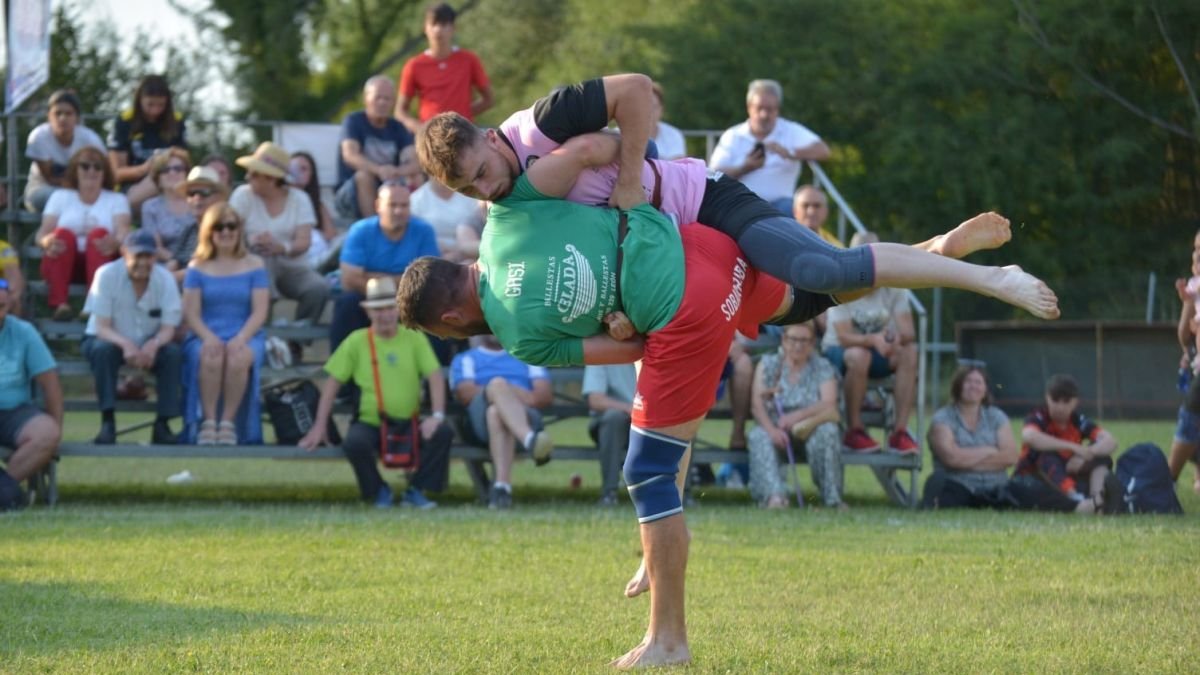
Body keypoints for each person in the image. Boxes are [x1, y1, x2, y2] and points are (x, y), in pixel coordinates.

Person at [395, 146, 1058, 666]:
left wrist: (628, 319)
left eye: (446, 332)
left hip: (686, 310)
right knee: (820, 285)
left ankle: (668, 638)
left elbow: (632, 354)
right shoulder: (505, 217)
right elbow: (586, 162)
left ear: (452, 316)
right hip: (701, 242)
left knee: (649, 470)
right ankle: (937, 253)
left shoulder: (512, 329)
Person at [414, 76, 1046, 322]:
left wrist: (629, 172)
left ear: (486, 135)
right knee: (801, 306)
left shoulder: (540, 125)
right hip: (673, 257)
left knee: (822, 267)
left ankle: (991, 279)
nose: (486, 190)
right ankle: (935, 249)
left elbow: (636, 92)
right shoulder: (504, 205)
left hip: (702, 203)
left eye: (483, 172)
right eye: (468, 189)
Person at [299, 277, 452, 508]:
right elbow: (332, 384)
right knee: (354, 443)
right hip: (371, 423)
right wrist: (320, 424)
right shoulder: (356, 341)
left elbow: (435, 375)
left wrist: (437, 415)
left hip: (409, 422)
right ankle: (379, 490)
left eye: (390, 308)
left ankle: (417, 490)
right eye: (378, 309)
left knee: (442, 433)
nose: (385, 315)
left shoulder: (414, 338)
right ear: (368, 313)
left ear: (399, 310)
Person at [81, 230, 182, 445]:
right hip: (108, 338)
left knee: (172, 354)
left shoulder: (165, 279)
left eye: (148, 256)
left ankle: (163, 424)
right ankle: (107, 422)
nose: (143, 262)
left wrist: (153, 345)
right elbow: (101, 327)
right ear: (124, 253)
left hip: (149, 340)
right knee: (102, 350)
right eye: (138, 256)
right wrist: (126, 344)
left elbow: (168, 328)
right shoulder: (106, 274)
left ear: (155, 256)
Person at [821, 231, 919, 453]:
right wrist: (873, 340)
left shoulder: (894, 286)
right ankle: (854, 430)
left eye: (877, 257)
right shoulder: (841, 286)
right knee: (859, 355)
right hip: (839, 351)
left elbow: (908, 333)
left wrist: (893, 339)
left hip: (878, 351)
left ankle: (900, 432)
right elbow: (844, 336)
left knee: (910, 352)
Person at [181, 203, 269, 445]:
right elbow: (191, 312)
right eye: (219, 227)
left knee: (239, 357)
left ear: (239, 230)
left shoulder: (255, 265)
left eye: (232, 226)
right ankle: (209, 422)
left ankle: (228, 423)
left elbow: (260, 312)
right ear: (208, 231)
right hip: (205, 333)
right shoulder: (196, 267)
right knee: (210, 355)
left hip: (247, 333)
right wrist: (208, 337)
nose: (226, 232)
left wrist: (241, 339)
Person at [332, 181, 439, 351]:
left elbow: (429, 280)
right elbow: (349, 280)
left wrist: (371, 276)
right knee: (347, 303)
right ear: (378, 206)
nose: (398, 211)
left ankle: (436, 373)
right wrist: (407, 278)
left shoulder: (424, 231)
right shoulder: (360, 230)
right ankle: (342, 372)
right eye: (392, 205)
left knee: (433, 308)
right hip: (367, 298)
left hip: (408, 301)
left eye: (404, 205)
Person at [230, 142, 329, 326]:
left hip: (292, 268)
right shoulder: (242, 195)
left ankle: (295, 342)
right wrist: (251, 242)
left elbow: (304, 241)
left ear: (271, 178)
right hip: (250, 266)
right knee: (261, 263)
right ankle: (262, 335)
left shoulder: (300, 199)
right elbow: (230, 233)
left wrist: (281, 248)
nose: (247, 177)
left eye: (254, 173)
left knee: (318, 289)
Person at [448, 336, 554, 509]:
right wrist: (505, 391)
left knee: (496, 413)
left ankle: (501, 488)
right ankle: (531, 440)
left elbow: (543, 396)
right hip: (480, 426)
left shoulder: (528, 355)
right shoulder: (466, 359)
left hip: (525, 416)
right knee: (497, 385)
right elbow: (465, 394)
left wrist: (505, 396)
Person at [748, 321, 842, 509]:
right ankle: (774, 497)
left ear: (813, 342)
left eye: (804, 340)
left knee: (828, 431)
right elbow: (757, 404)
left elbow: (828, 402)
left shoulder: (822, 366)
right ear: (783, 340)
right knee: (758, 436)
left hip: (810, 429)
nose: (798, 345)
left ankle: (831, 498)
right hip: (777, 430)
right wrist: (772, 431)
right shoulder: (768, 364)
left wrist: (796, 417)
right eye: (793, 339)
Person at [708, 79, 831, 214]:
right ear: (749, 107)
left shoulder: (790, 130)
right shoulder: (733, 135)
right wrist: (744, 168)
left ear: (777, 109)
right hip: (741, 202)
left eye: (770, 109)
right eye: (759, 108)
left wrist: (789, 153)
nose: (764, 115)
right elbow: (714, 174)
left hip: (782, 205)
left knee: (798, 211)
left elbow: (823, 151)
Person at [35, 147, 131, 320]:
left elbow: (123, 230)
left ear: (105, 171)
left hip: (102, 261)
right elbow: (42, 234)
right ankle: (60, 305)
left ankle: (94, 304)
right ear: (75, 170)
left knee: (99, 234)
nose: (91, 171)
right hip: (64, 262)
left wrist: (116, 242)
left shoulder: (117, 200)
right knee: (62, 235)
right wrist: (47, 241)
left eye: (97, 166)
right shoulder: (60, 197)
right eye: (85, 166)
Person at [1014, 373, 1120, 514]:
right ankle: (1076, 499)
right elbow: (1029, 437)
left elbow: (1110, 441)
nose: (1060, 407)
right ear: (1047, 398)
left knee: (1101, 458)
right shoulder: (1038, 417)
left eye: (1066, 401)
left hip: (1066, 474)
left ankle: (1097, 503)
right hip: (1031, 479)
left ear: (1075, 402)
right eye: (1055, 400)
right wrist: (1073, 447)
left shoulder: (1078, 421)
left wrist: (1088, 453)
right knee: (1045, 456)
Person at [0, 279, 62, 512]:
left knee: (47, 433)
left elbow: (50, 382)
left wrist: (57, 430)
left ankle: (5, 487)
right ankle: (6, 494)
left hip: (16, 411)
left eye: (2, 307)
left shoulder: (23, 331)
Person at [922, 366, 1019, 509]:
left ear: (985, 389)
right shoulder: (942, 419)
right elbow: (951, 458)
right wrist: (989, 451)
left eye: (978, 382)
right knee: (948, 497)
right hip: (958, 484)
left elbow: (1010, 457)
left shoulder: (997, 416)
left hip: (995, 486)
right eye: (968, 381)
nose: (973, 386)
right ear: (958, 386)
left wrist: (965, 460)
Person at [394, 2, 492, 135]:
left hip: (464, 135)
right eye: (433, 24)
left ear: (453, 28)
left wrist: (460, 117)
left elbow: (488, 99)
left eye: (444, 24)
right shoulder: (414, 65)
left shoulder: (469, 60)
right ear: (425, 28)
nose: (438, 29)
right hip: (429, 137)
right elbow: (400, 111)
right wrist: (421, 129)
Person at [335, 76, 414, 221]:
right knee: (364, 176)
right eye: (378, 97)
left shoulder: (398, 127)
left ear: (393, 102)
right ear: (366, 98)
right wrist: (379, 170)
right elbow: (350, 155)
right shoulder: (353, 121)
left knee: (416, 176)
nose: (382, 102)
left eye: (387, 98)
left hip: (390, 187)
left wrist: (398, 171)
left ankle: (414, 225)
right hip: (350, 192)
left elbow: (414, 161)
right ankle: (372, 229)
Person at [22, 89, 106, 213]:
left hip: (83, 190)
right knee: (60, 198)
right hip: (42, 189)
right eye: (58, 113)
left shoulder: (90, 138)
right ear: (49, 116)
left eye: (68, 113)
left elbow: (104, 170)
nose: (62, 118)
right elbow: (49, 178)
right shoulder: (39, 137)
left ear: (77, 117)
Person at [107, 75, 187, 189]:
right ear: (139, 100)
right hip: (133, 187)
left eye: (161, 105)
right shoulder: (125, 121)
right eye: (150, 105)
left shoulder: (176, 121)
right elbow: (115, 173)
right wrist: (145, 169)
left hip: (169, 182)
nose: (155, 111)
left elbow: (184, 163)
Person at [582, 363, 637, 506]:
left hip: (653, 421)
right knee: (613, 418)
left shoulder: (662, 350)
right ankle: (609, 493)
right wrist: (630, 409)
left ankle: (682, 494)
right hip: (618, 424)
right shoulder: (601, 352)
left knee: (682, 421)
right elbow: (595, 400)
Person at [1171, 231, 1200, 492]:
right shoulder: (1195, 287)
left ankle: (1167, 480)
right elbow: (1184, 336)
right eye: (1196, 249)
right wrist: (1188, 304)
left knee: (1190, 417)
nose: (1198, 254)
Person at [129, 148, 194, 264]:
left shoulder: (197, 202)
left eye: (178, 169)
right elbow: (155, 247)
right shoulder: (150, 207)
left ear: (187, 173)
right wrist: (179, 261)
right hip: (165, 265)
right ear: (157, 178)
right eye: (165, 170)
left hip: (198, 262)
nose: (172, 173)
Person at [165, 167, 229, 284]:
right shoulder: (188, 230)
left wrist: (169, 279)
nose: (197, 198)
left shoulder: (226, 229)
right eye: (191, 193)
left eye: (204, 193)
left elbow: (211, 268)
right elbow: (174, 262)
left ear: (218, 198)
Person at [409, 178, 483, 261]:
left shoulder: (470, 195)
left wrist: (462, 252)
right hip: (432, 259)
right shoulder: (415, 201)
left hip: (471, 257)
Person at [289, 151, 339, 269]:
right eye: (294, 168)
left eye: (304, 169)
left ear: (312, 175)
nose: (298, 172)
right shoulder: (280, 199)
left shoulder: (317, 204)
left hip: (319, 255)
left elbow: (331, 235)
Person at [649, 81, 686, 161]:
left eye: (654, 107)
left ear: (661, 109)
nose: (649, 111)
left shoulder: (674, 134)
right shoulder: (619, 134)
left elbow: (676, 167)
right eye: (645, 106)